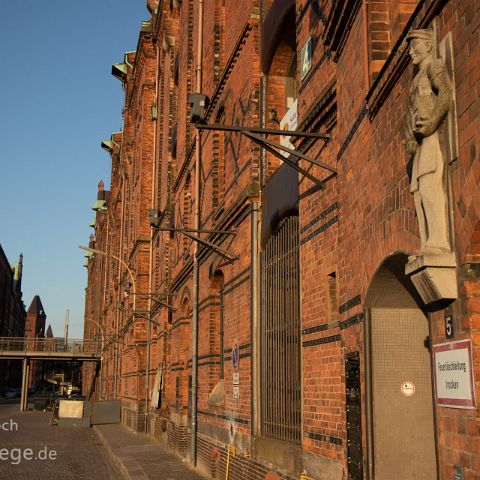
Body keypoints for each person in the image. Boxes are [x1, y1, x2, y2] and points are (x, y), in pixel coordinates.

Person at [402, 29, 453, 254]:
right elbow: (407, 115)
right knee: (418, 191)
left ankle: (438, 240)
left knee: (429, 183)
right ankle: (426, 241)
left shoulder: (434, 67)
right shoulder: (416, 80)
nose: (411, 52)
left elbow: (445, 95)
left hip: (430, 137)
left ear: (428, 46)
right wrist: (409, 138)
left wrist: (431, 123)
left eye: (415, 46)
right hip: (419, 142)